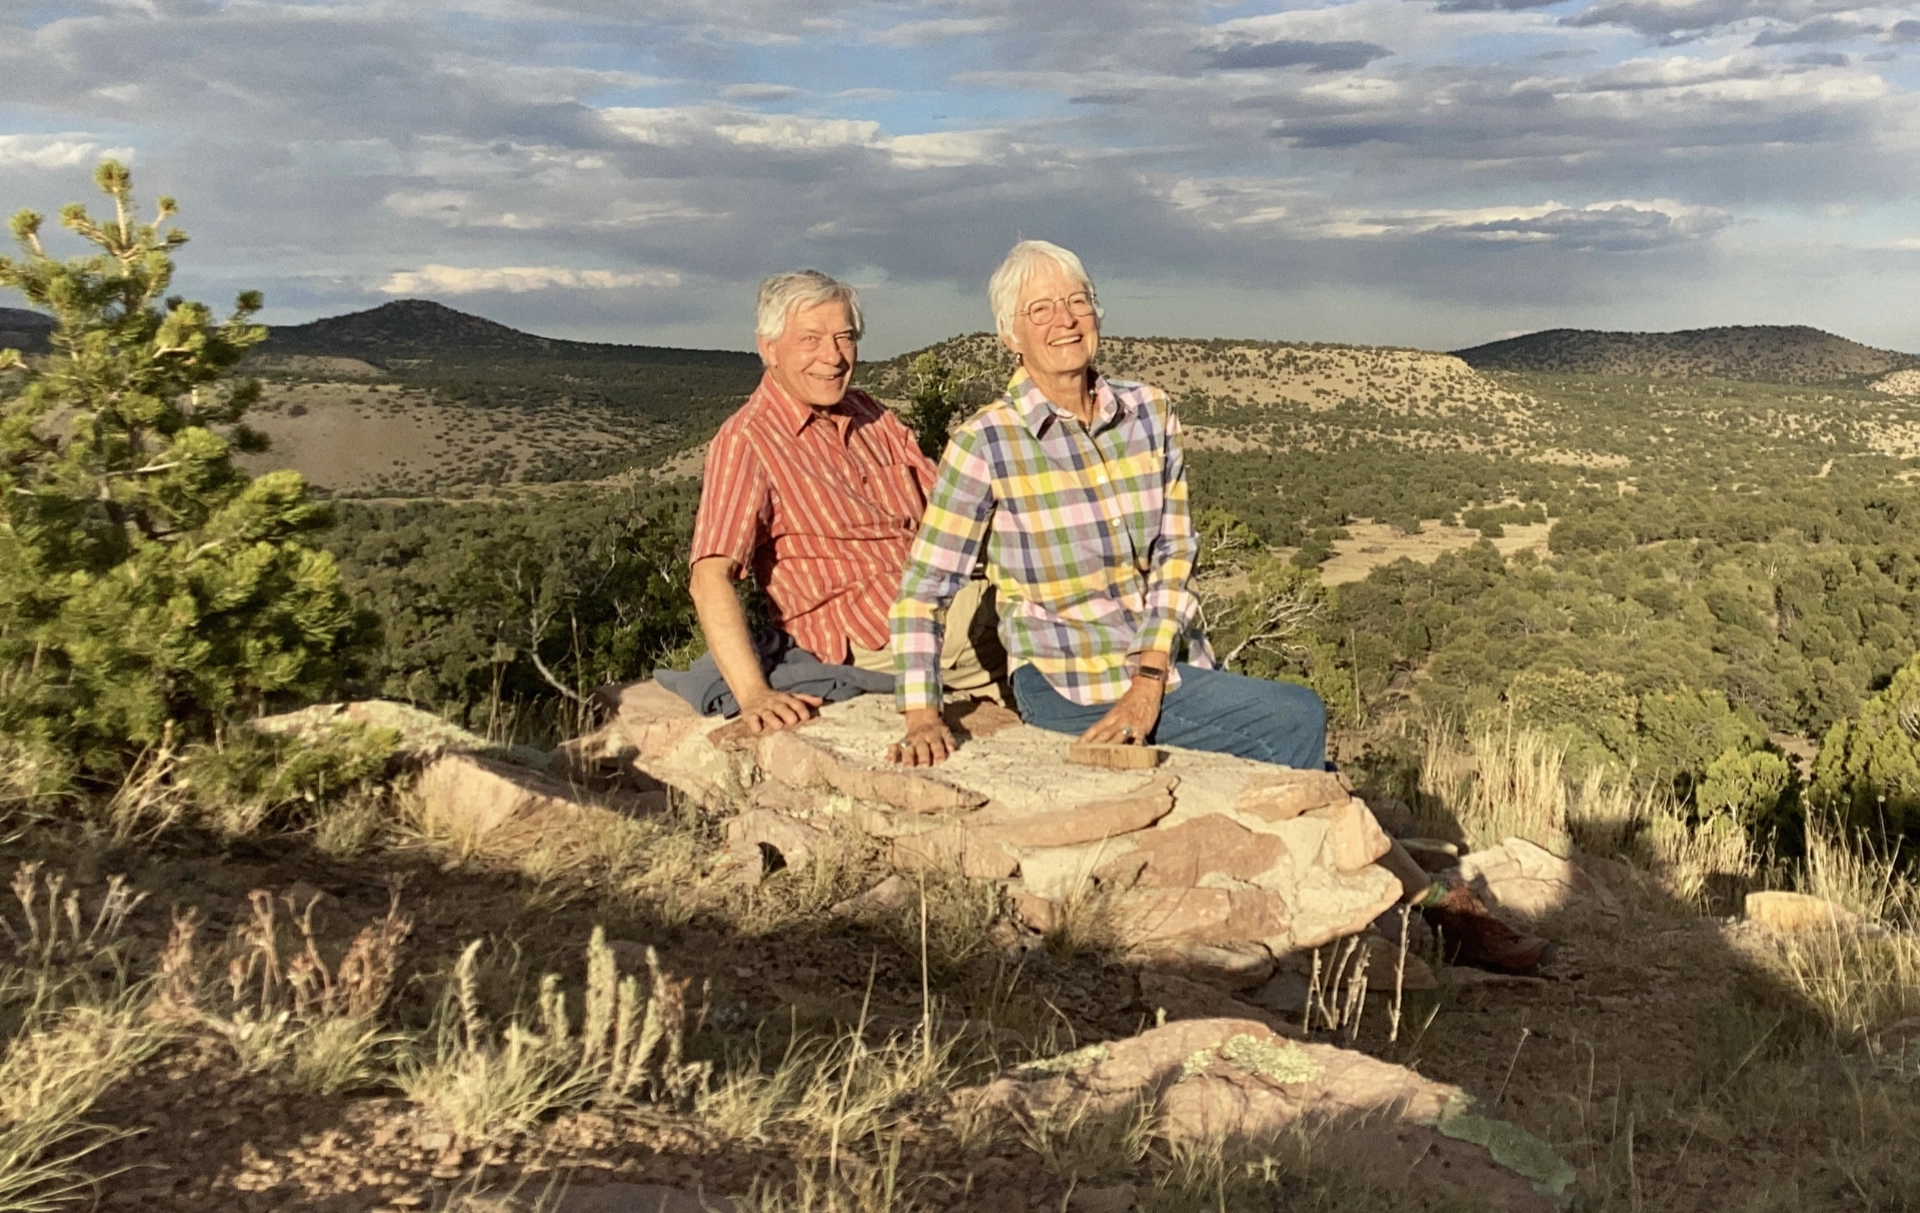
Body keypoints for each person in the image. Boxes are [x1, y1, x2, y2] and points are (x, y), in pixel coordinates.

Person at [884, 240, 1550, 974]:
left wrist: (1148, 676)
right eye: (1039, 309)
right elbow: (925, 588)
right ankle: (1404, 917)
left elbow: (1174, 551)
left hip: (1158, 666)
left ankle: (1418, 908)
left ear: (1097, 311)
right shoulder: (987, 443)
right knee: (1296, 716)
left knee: (1304, 766)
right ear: (1010, 333)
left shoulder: (1147, 411)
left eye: (1076, 301)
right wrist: (921, 712)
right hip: (1069, 678)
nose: (1063, 320)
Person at [678, 270, 1000, 734]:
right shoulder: (749, 441)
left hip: (940, 598)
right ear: (769, 349)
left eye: (844, 337)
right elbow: (709, 577)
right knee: (1042, 607)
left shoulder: (871, 414)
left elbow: (955, 511)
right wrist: (754, 695)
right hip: (881, 632)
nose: (832, 357)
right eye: (810, 339)